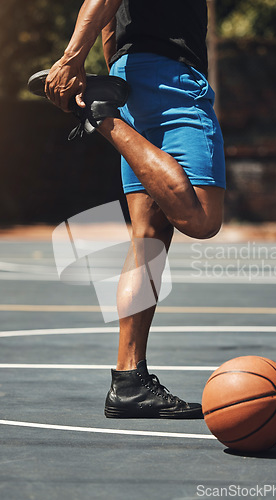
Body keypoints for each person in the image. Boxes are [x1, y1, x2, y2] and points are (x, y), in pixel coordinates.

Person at [45, 0, 226, 419]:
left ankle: (129, 381)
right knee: (201, 217)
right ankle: (101, 116)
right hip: (171, 78)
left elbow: (111, 21)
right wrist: (73, 59)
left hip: (133, 78)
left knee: (148, 237)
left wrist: (119, 83)